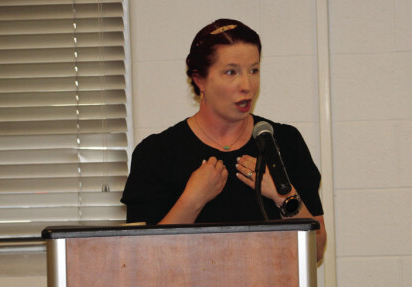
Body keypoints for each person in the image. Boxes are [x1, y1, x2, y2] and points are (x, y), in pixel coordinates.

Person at [121, 19, 327, 261]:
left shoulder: (284, 141)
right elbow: (142, 259)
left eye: (254, 70)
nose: (247, 85)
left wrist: (284, 195)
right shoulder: (156, 153)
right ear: (200, 80)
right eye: (231, 72)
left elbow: (316, 251)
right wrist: (191, 200)